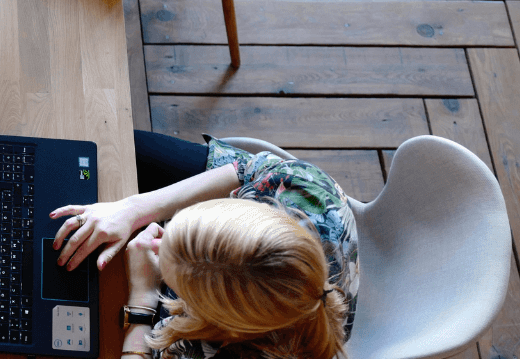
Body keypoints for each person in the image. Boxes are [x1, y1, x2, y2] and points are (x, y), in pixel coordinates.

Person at [51, 133, 358, 358]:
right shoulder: (304, 187)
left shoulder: (207, 352)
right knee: (109, 144)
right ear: (242, 206)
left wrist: (143, 298)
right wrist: (133, 209)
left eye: (172, 282)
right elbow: (243, 169)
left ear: (209, 316)